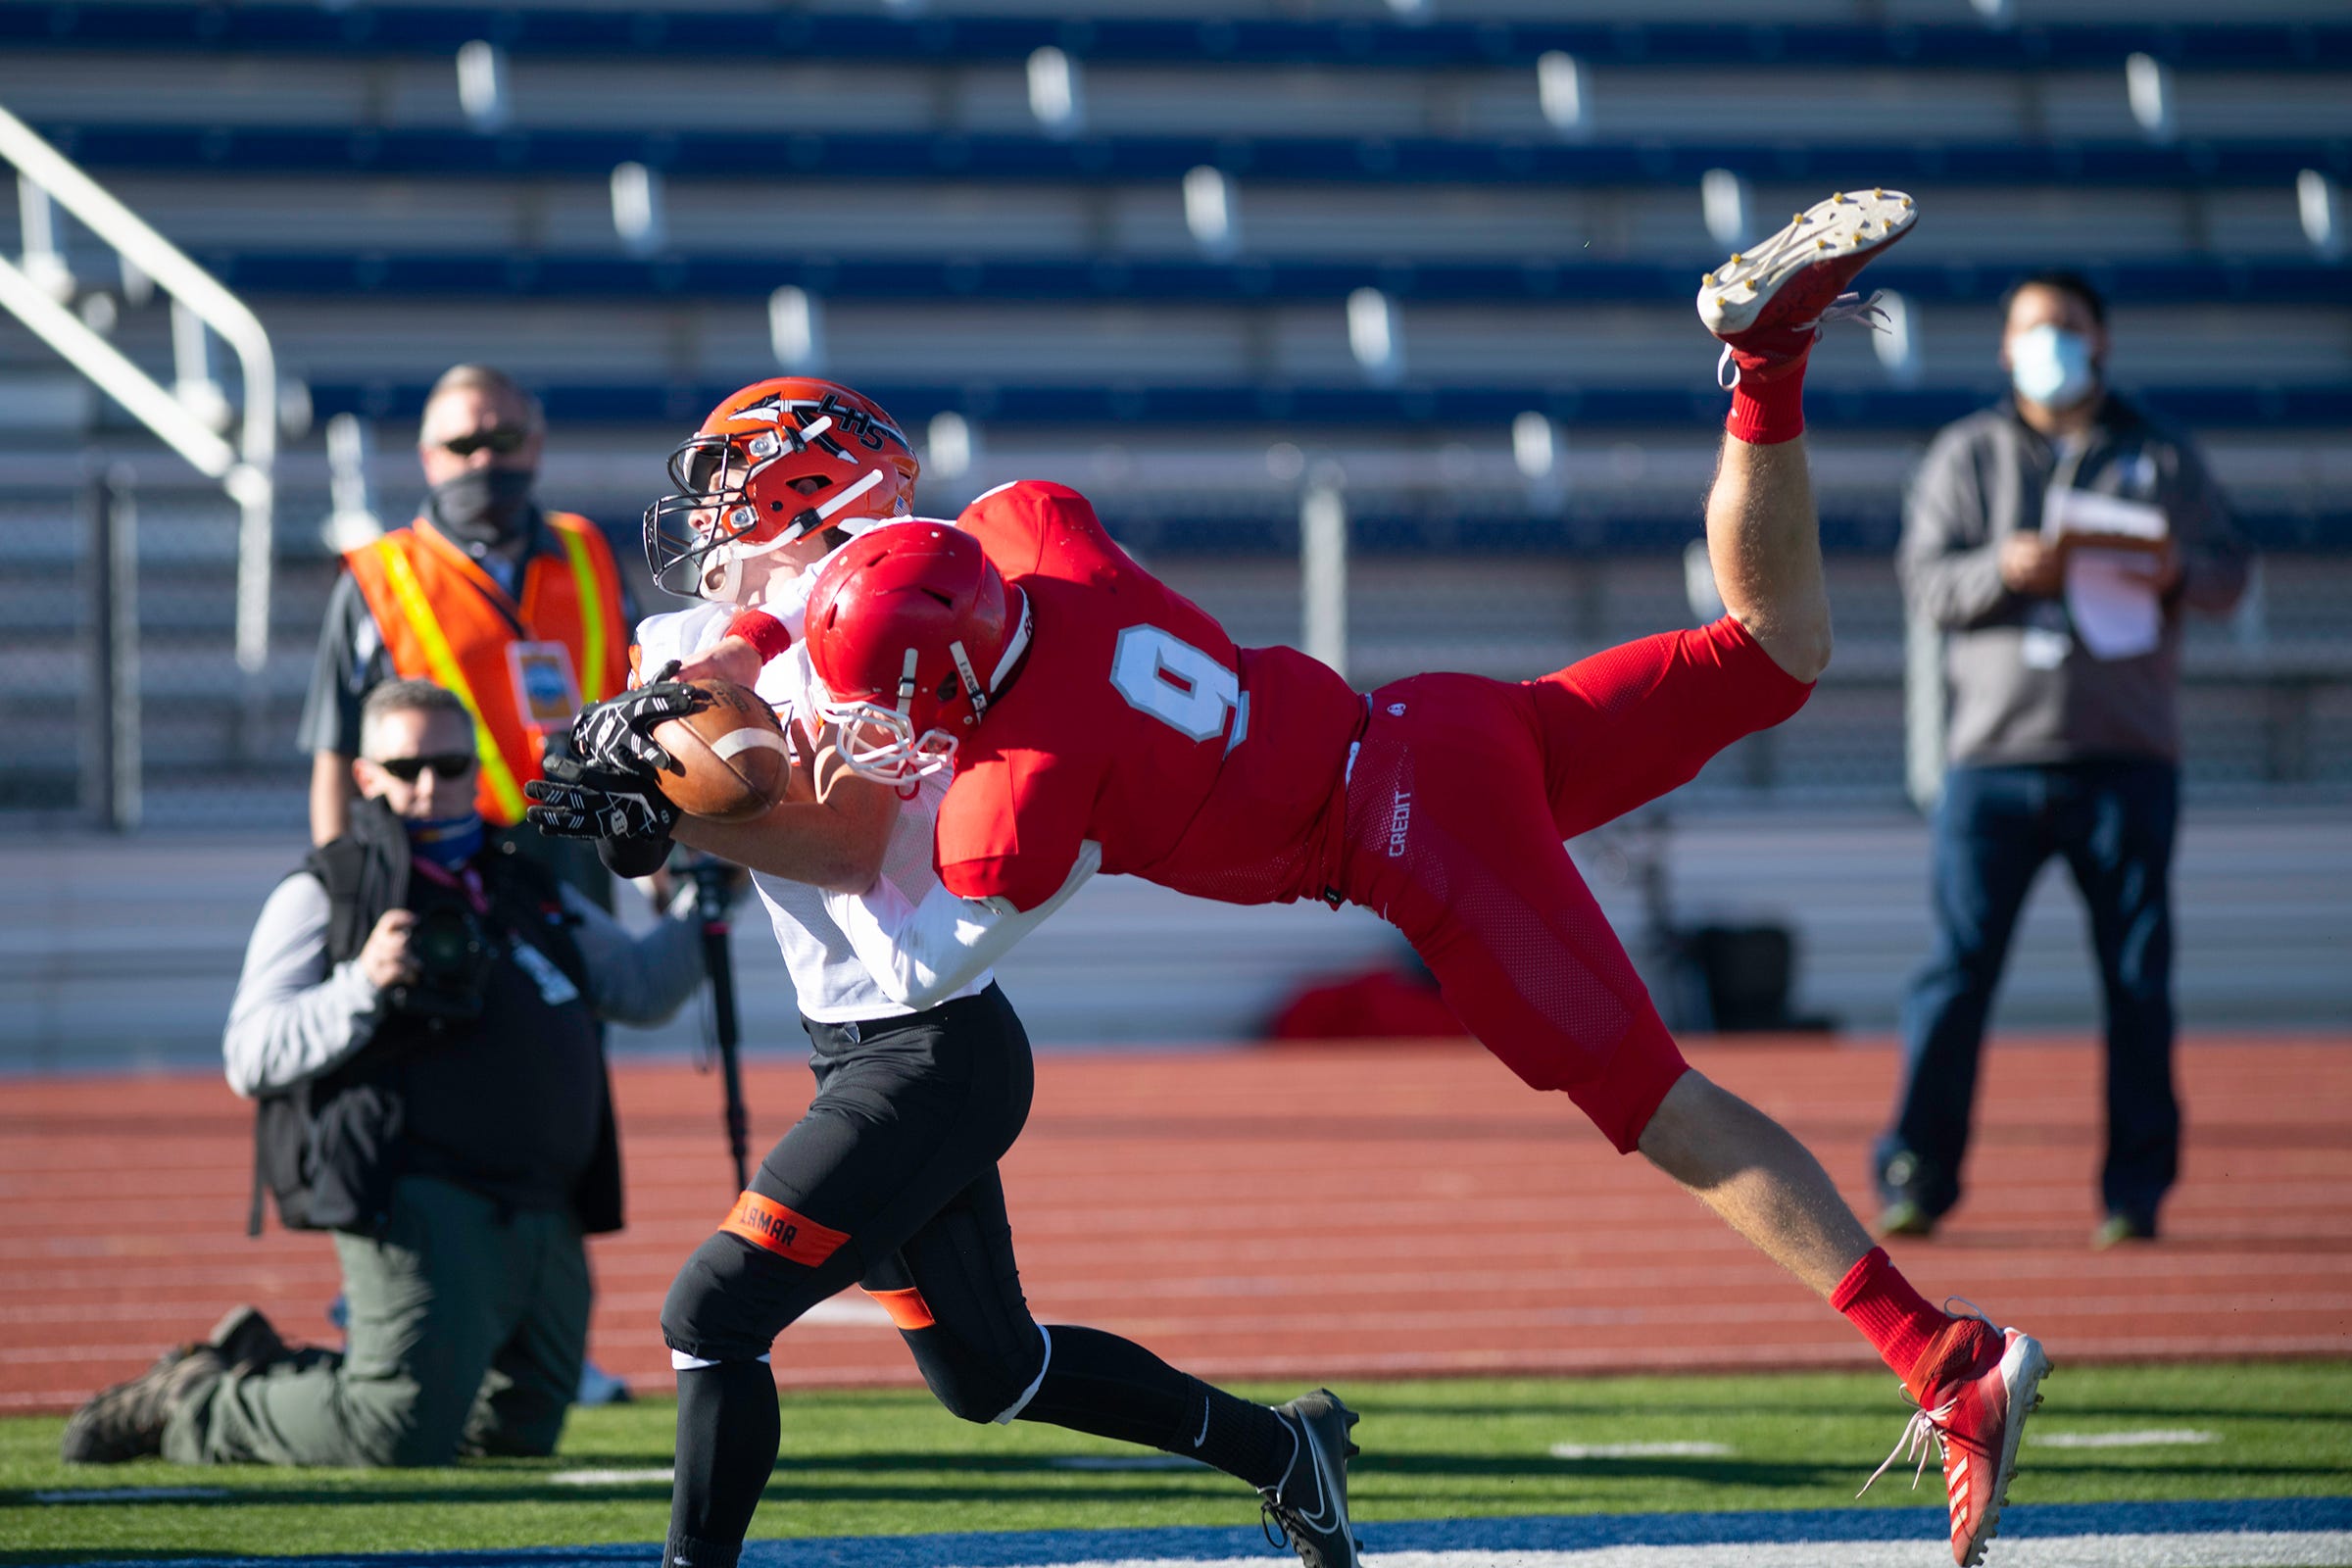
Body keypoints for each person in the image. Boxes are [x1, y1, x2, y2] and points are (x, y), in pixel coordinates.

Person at [631, 193, 2047, 1568]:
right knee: (1772, 651)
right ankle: (1767, 369)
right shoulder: (1028, 527)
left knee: (1655, 1104)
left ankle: (1942, 1355)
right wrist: (757, 651)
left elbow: (898, 905)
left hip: (1417, 842)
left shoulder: (1018, 799)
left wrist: (695, 795)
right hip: (1441, 720)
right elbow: (924, 599)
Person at [524, 378, 1364, 1568]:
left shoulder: (891, 602)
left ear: (810, 487)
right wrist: (616, 787)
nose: (707, 509)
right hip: (857, 1043)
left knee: (712, 1312)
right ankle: (1286, 1451)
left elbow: (846, 846)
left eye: (729, 479)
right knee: (992, 1374)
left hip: (932, 1047)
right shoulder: (694, 635)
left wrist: (677, 807)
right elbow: (644, 846)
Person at [61, 679, 707, 1469]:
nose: (430, 786)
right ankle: (194, 1401)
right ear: (366, 776)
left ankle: (271, 1366)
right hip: (418, 1188)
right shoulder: (328, 890)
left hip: (544, 1196)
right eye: (405, 769)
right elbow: (252, 1053)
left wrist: (709, 903)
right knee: (395, 1430)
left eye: (450, 765)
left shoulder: (521, 880)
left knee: (520, 1429)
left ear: (477, 770)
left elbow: (639, 989)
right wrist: (362, 983)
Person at [1876, 271, 2251, 1250]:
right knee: (1956, 975)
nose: (2051, 344)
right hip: (1992, 764)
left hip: (2127, 762)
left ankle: (2136, 1194)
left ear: (2102, 341)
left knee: (2136, 981)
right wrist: (2002, 568)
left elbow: (2230, 572)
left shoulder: (2161, 453)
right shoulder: (1966, 453)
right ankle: (1917, 1173)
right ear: (2006, 348)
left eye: (2069, 328)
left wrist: (2174, 570)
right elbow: (1924, 583)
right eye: (2033, 329)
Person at [298, 364, 630, 905]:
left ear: (535, 446)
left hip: (578, 853)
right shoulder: (378, 576)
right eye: (463, 444)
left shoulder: (588, 552)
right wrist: (341, 895)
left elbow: (633, 703)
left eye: (504, 440)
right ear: (429, 458)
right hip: (437, 861)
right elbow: (335, 750)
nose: (484, 460)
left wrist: (668, 867)